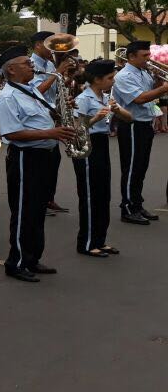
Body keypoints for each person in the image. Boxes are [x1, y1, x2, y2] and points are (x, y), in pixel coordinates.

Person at [0, 46, 79, 282]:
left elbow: (40, 119)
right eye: (26, 63)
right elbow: (11, 133)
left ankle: (32, 258)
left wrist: (61, 111)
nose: (32, 65)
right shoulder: (8, 97)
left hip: (43, 156)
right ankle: (17, 262)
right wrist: (51, 133)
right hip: (25, 158)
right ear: (11, 70)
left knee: (38, 210)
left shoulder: (30, 90)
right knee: (24, 212)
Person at [73, 59, 132, 257]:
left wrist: (117, 110)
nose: (113, 81)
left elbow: (129, 118)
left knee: (103, 193)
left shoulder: (106, 97)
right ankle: (87, 243)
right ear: (97, 79)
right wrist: (96, 118)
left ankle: (100, 239)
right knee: (90, 195)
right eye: (110, 78)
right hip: (87, 145)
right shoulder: (83, 99)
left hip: (102, 144)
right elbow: (77, 129)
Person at [113, 40, 168, 224]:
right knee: (131, 168)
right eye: (144, 56)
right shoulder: (124, 76)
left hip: (145, 123)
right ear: (131, 57)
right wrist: (164, 88)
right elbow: (139, 99)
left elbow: (151, 92)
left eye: (149, 55)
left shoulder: (143, 72)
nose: (149, 59)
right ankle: (128, 208)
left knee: (141, 168)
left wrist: (159, 82)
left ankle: (137, 204)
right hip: (132, 125)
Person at [29, 31, 75, 214]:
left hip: (51, 116)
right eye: (50, 45)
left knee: (53, 161)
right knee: (40, 165)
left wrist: (66, 84)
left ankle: (49, 199)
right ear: (38, 45)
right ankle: (39, 201)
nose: (53, 49)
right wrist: (57, 73)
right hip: (37, 119)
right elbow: (36, 91)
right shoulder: (29, 65)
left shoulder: (49, 64)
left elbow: (53, 90)